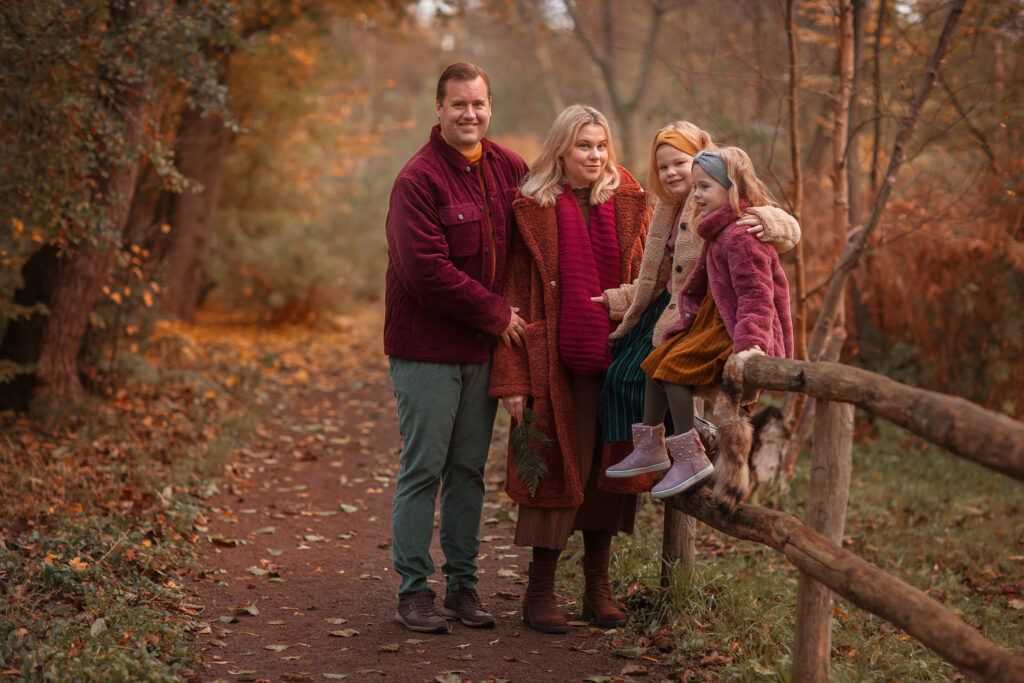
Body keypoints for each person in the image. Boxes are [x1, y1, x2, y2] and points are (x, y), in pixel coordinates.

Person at [489, 104, 651, 634]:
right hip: (552, 363)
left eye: (602, 145)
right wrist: (513, 380)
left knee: (606, 475)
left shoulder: (630, 201)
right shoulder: (531, 206)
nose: (596, 155)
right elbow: (514, 294)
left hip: (617, 364)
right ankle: (538, 594)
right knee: (553, 475)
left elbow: (651, 278)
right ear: (562, 148)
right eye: (585, 146)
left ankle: (596, 590)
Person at [384, 62, 528, 633]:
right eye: (458, 105)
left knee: (468, 470)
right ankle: (413, 589)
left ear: (490, 107)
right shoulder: (416, 180)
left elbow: (554, 212)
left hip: (481, 351)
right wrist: (497, 314)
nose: (470, 114)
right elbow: (425, 272)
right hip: (425, 349)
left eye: (479, 104)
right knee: (424, 468)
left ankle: (463, 587)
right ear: (438, 110)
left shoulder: (509, 168)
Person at [596, 122, 799, 476]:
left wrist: (765, 219)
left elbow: (772, 252)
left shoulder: (727, 212)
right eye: (663, 166)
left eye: (680, 163)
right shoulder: (670, 207)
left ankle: (690, 452)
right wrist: (620, 300)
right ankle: (653, 448)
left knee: (665, 370)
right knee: (642, 367)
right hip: (688, 311)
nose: (673, 172)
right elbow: (659, 276)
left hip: (724, 317)